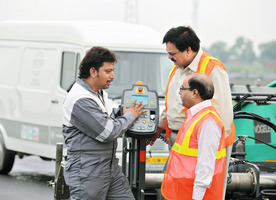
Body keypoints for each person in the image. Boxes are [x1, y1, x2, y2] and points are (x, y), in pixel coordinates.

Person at [146, 26, 235, 198]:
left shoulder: (213, 68)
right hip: (182, 140)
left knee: (203, 189)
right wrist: (159, 127)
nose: (169, 57)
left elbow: (222, 113)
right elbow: (172, 102)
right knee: (177, 189)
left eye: (172, 54)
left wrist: (209, 147)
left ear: (188, 50)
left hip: (204, 142)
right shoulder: (179, 66)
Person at [62, 46, 146, 200]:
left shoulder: (98, 93)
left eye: (113, 70)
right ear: (93, 71)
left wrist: (121, 113)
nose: (113, 76)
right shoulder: (80, 99)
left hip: (108, 166)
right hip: (87, 169)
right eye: (108, 71)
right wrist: (129, 116)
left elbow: (105, 118)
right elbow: (108, 132)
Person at [161, 73, 226, 200]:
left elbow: (205, 165)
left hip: (195, 195)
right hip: (184, 192)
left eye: (182, 88)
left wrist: (197, 197)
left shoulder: (208, 121)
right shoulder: (197, 116)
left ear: (194, 93)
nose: (180, 93)